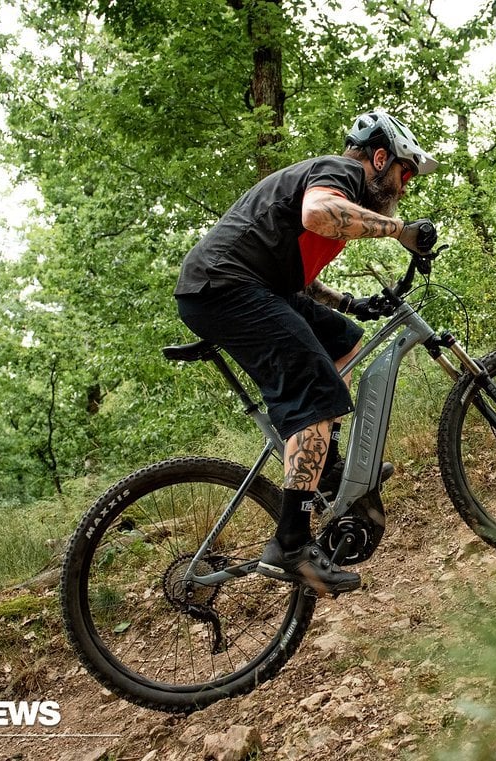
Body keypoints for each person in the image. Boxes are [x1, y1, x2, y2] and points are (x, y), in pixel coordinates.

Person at [173, 110, 438, 595]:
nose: (404, 189)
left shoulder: (340, 188)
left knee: (345, 340)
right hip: (223, 287)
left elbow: (291, 268)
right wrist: (400, 233)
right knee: (317, 394)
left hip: (252, 284)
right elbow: (317, 214)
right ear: (379, 159)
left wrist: (348, 302)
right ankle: (291, 543)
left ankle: (328, 470)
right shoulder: (342, 174)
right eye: (404, 175)